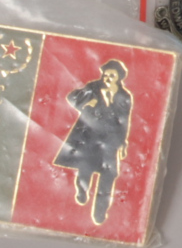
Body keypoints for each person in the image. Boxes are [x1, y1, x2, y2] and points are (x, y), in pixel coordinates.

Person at [51, 60, 134, 226]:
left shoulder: (125, 96)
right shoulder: (93, 87)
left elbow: (124, 120)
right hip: (90, 136)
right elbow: (72, 97)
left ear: (119, 77)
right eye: (106, 74)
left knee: (109, 174)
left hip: (111, 139)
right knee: (86, 167)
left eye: (112, 75)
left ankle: (100, 212)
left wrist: (123, 142)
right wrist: (85, 104)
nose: (108, 78)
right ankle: (82, 190)